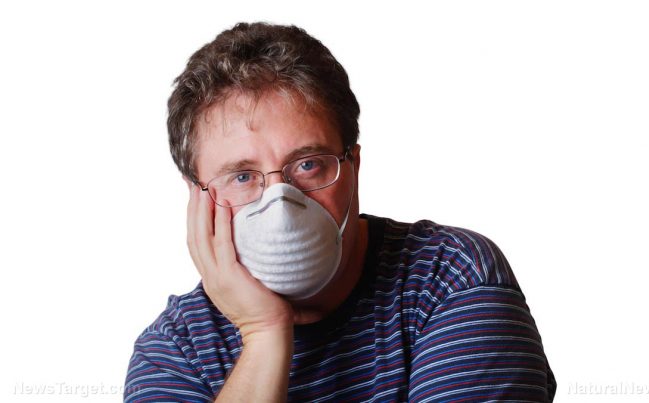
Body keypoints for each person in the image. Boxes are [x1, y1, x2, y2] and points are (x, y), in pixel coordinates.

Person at [124, 22, 556, 402]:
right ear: (198, 197)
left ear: (354, 166)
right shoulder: (175, 349)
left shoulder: (452, 278)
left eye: (308, 164)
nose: (280, 205)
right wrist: (264, 333)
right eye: (242, 176)